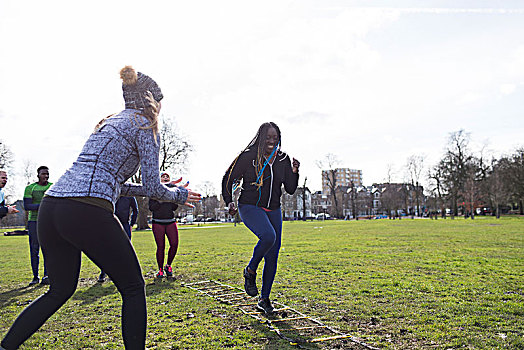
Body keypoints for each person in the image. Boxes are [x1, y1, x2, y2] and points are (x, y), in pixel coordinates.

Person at [0, 66, 201, 350]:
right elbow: (155, 189)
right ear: (151, 101)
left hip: (53, 207)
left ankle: (6, 346)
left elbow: (114, 183)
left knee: (59, 289)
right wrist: (179, 194)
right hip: (86, 209)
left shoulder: (108, 123)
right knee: (132, 288)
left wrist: (163, 191)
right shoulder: (146, 125)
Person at [221, 122, 300, 314]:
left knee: (273, 255)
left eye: (275, 138)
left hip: (273, 209)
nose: (272, 141)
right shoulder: (248, 156)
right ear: (261, 137)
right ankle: (250, 271)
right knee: (268, 236)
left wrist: (295, 172)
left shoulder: (282, 159)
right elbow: (228, 178)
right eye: (268, 138)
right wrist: (229, 201)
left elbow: (290, 189)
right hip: (250, 206)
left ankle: (264, 299)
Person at [98, 196, 139, 283]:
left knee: (126, 250)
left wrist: (132, 224)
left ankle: (124, 273)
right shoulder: (112, 191)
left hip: (125, 224)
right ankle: (103, 272)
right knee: (108, 249)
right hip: (110, 223)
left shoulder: (130, 195)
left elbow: (135, 210)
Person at [148, 172, 181, 278]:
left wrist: (171, 198)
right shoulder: (154, 191)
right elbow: (152, 207)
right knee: (160, 247)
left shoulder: (171, 191)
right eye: (163, 176)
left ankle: (168, 265)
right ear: (159, 179)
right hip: (158, 222)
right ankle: (160, 270)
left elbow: (174, 207)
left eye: (167, 177)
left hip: (170, 221)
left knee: (174, 244)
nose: (165, 178)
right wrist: (160, 200)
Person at [23, 166, 52, 285]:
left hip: (48, 221)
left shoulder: (52, 186)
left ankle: (47, 275)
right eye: (43, 174)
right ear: (38, 175)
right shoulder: (30, 188)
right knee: (34, 249)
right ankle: (35, 277)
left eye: (47, 174)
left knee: (48, 249)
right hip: (34, 222)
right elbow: (27, 206)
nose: (46, 176)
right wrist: (45, 205)